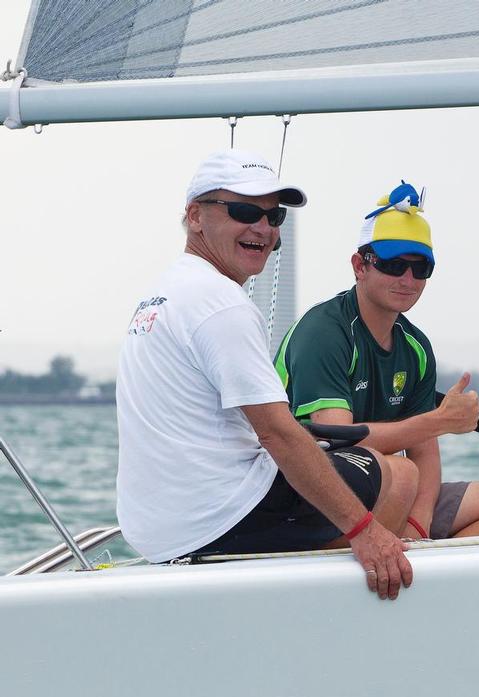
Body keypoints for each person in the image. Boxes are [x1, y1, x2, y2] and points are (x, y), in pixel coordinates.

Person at [116, 149, 414, 600]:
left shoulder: (163, 293)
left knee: (334, 468)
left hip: (155, 527)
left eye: (274, 216)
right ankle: (358, 590)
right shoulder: (221, 304)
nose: (264, 229)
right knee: (393, 472)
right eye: (243, 212)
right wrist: (364, 530)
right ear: (195, 216)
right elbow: (277, 433)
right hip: (218, 519)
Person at [274, 182, 479, 540]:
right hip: (305, 493)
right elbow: (341, 442)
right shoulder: (324, 331)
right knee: (397, 472)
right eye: (394, 265)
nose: (407, 279)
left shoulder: (416, 348)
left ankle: (415, 574)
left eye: (420, 268)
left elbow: (424, 453)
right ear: (359, 266)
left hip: (388, 489)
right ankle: (375, 573)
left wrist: (418, 527)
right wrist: (439, 421)